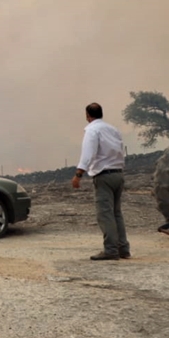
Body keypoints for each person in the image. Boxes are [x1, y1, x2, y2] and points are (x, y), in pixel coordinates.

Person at [72, 102, 129, 260]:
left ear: (87, 116)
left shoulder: (92, 130)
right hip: (118, 173)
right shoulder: (113, 129)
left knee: (105, 214)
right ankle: (123, 248)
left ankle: (110, 250)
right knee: (116, 213)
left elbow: (88, 153)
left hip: (104, 175)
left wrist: (78, 174)